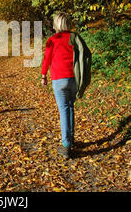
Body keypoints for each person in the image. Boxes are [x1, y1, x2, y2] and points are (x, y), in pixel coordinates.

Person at [41, 13, 91, 159]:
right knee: (70, 107)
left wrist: (43, 75)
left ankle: (66, 145)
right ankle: (71, 138)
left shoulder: (52, 40)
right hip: (74, 78)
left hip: (58, 79)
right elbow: (84, 55)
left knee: (64, 110)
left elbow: (47, 59)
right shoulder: (74, 38)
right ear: (68, 23)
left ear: (56, 24)